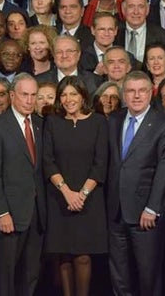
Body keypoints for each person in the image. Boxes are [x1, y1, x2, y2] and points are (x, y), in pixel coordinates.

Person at [107, 70, 165, 296]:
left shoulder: (163, 124)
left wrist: (152, 208)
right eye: (131, 91)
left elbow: (164, 168)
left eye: (142, 91)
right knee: (119, 275)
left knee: (148, 275)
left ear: (151, 93)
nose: (136, 96)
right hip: (115, 210)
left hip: (145, 213)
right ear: (124, 94)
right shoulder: (114, 119)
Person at [0, 73, 46, 296]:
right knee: (5, 279)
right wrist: (1, 213)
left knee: (30, 276)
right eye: (24, 95)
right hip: (8, 216)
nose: (29, 100)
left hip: (36, 215)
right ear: (12, 95)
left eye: (33, 95)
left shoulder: (40, 125)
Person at [43, 76, 108, 296]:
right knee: (63, 256)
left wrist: (81, 195)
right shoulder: (52, 122)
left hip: (88, 199)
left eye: (73, 94)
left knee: (82, 256)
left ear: (82, 96)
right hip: (60, 197)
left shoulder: (98, 122)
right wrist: (67, 193)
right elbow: (48, 160)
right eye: (64, 94)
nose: (69, 99)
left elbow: (101, 164)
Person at [117, 0, 165, 64]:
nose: (136, 12)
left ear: (147, 9)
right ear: (123, 9)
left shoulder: (164, 37)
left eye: (141, 6)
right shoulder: (113, 33)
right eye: (131, 6)